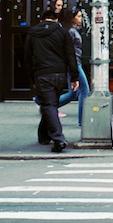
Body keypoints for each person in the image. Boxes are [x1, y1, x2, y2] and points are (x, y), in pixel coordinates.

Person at [25, 10, 79, 152]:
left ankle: (58, 138)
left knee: (49, 105)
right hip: (60, 74)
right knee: (51, 105)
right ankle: (45, 135)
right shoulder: (63, 33)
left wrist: (32, 78)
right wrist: (74, 77)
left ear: (42, 20)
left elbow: (27, 58)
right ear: (55, 20)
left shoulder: (32, 33)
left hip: (42, 74)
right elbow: (70, 56)